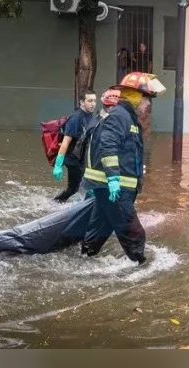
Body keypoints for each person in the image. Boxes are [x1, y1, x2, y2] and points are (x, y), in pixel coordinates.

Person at [80, 72, 166, 264]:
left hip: (109, 188)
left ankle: (85, 258)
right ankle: (142, 267)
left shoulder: (126, 116)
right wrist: (113, 179)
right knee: (133, 231)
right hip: (114, 189)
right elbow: (107, 144)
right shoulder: (121, 115)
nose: (148, 105)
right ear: (137, 97)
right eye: (147, 99)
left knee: (100, 228)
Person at [52, 90, 97, 202]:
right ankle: (56, 202)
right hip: (73, 159)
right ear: (82, 102)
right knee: (74, 188)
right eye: (90, 101)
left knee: (82, 186)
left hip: (82, 158)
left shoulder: (90, 116)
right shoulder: (75, 119)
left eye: (94, 101)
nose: (93, 104)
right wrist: (58, 165)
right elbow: (65, 142)